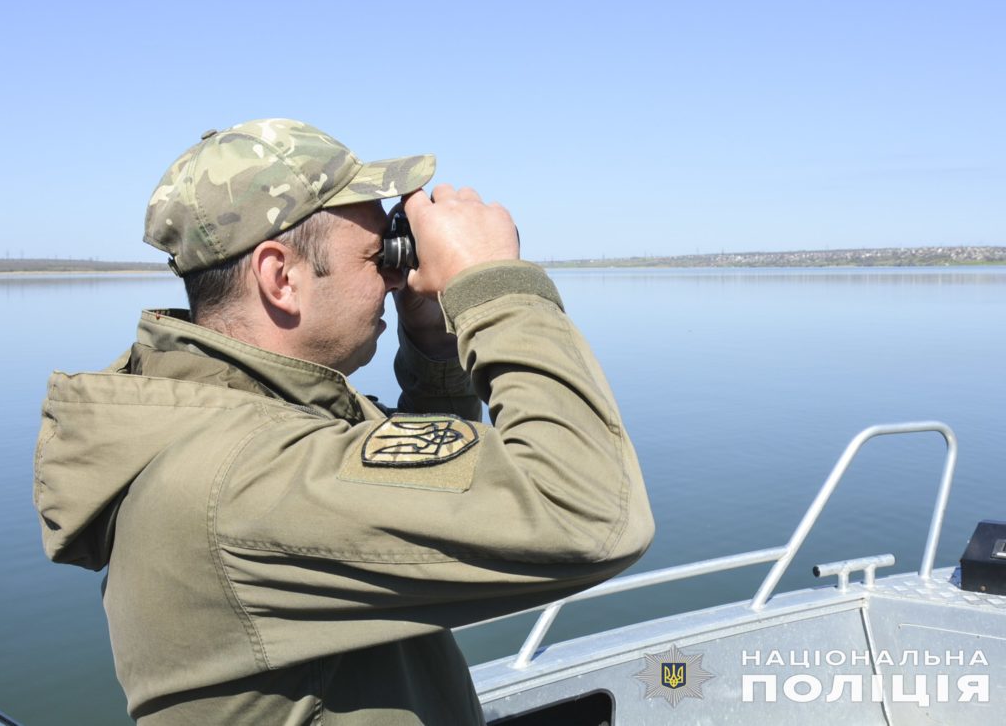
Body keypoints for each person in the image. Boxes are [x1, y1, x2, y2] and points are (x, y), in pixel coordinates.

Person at [34, 118, 655, 725]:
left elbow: (423, 493)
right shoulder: (241, 478)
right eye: (377, 256)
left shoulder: (248, 421)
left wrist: (436, 347)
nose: (397, 276)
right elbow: (588, 514)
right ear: (281, 277)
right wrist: (491, 286)